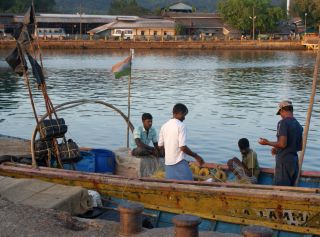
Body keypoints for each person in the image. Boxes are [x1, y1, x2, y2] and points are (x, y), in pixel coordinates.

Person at [258, 100, 303, 186]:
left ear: (282, 110)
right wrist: (277, 148)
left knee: (279, 190)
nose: (281, 116)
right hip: (294, 162)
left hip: (284, 162)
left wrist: (267, 143)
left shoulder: (283, 123)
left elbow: (282, 144)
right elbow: (299, 147)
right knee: (290, 189)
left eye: (280, 113)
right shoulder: (298, 125)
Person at [158, 103, 205, 180]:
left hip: (168, 164)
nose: (184, 118)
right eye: (184, 115)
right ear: (179, 113)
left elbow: (160, 146)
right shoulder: (181, 126)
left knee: (171, 184)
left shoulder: (164, 126)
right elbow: (182, 147)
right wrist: (196, 156)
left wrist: (169, 154)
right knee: (190, 183)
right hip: (179, 163)